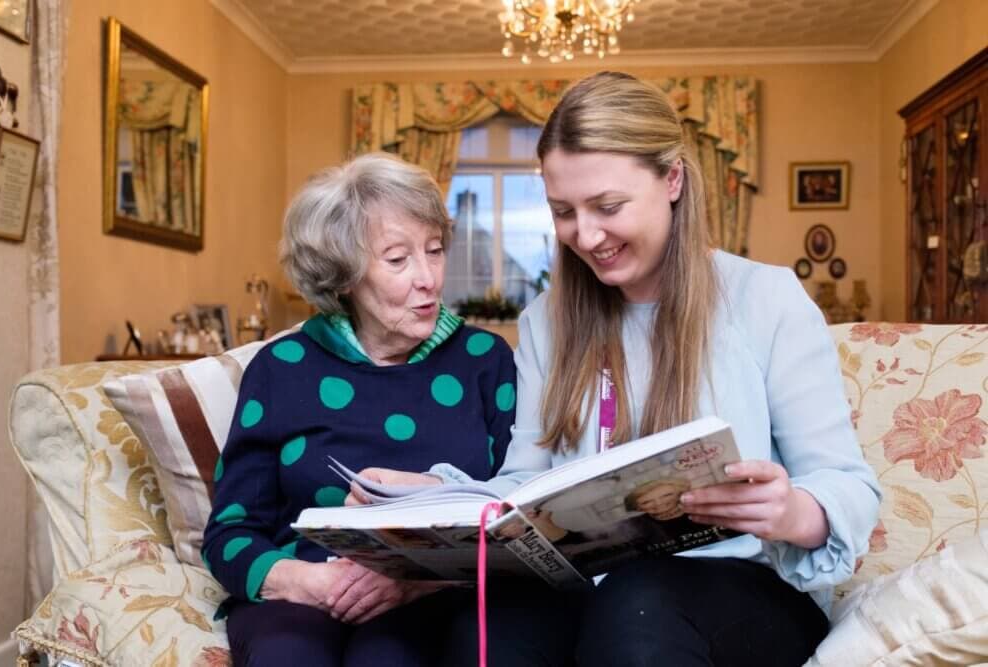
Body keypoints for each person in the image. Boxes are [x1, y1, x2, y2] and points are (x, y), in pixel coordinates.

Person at [350, 72, 881, 666]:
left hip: (747, 592)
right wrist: (431, 495)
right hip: (594, 588)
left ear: (672, 178)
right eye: (563, 212)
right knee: (492, 621)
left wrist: (791, 511)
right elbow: (522, 489)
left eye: (607, 206)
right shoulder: (546, 321)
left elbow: (848, 484)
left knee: (639, 598)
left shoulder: (766, 299)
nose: (587, 235)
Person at [202, 152, 516, 667]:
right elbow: (230, 532)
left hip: (437, 595)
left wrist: (415, 580)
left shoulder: (485, 361)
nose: (429, 279)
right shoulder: (282, 368)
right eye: (398, 260)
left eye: (434, 251)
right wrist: (312, 582)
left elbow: (515, 518)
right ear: (343, 276)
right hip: (305, 587)